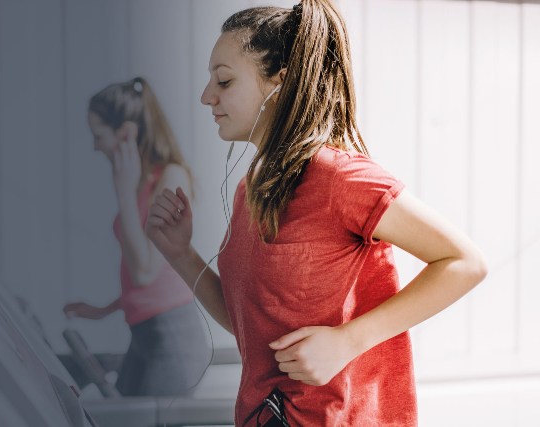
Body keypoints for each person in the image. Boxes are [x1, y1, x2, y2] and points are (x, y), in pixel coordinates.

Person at [145, 2, 488, 426]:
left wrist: (347, 341)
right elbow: (250, 328)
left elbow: (465, 262)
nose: (206, 96)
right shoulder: (252, 188)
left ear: (280, 83)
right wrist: (181, 254)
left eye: (225, 80)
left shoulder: (338, 177)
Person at [63, 77, 208, 397]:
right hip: (144, 335)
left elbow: (145, 271)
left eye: (99, 135)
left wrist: (125, 194)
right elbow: (146, 274)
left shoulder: (170, 176)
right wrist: (103, 310)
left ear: (126, 133)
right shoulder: (141, 182)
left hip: (172, 339)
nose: (95, 146)